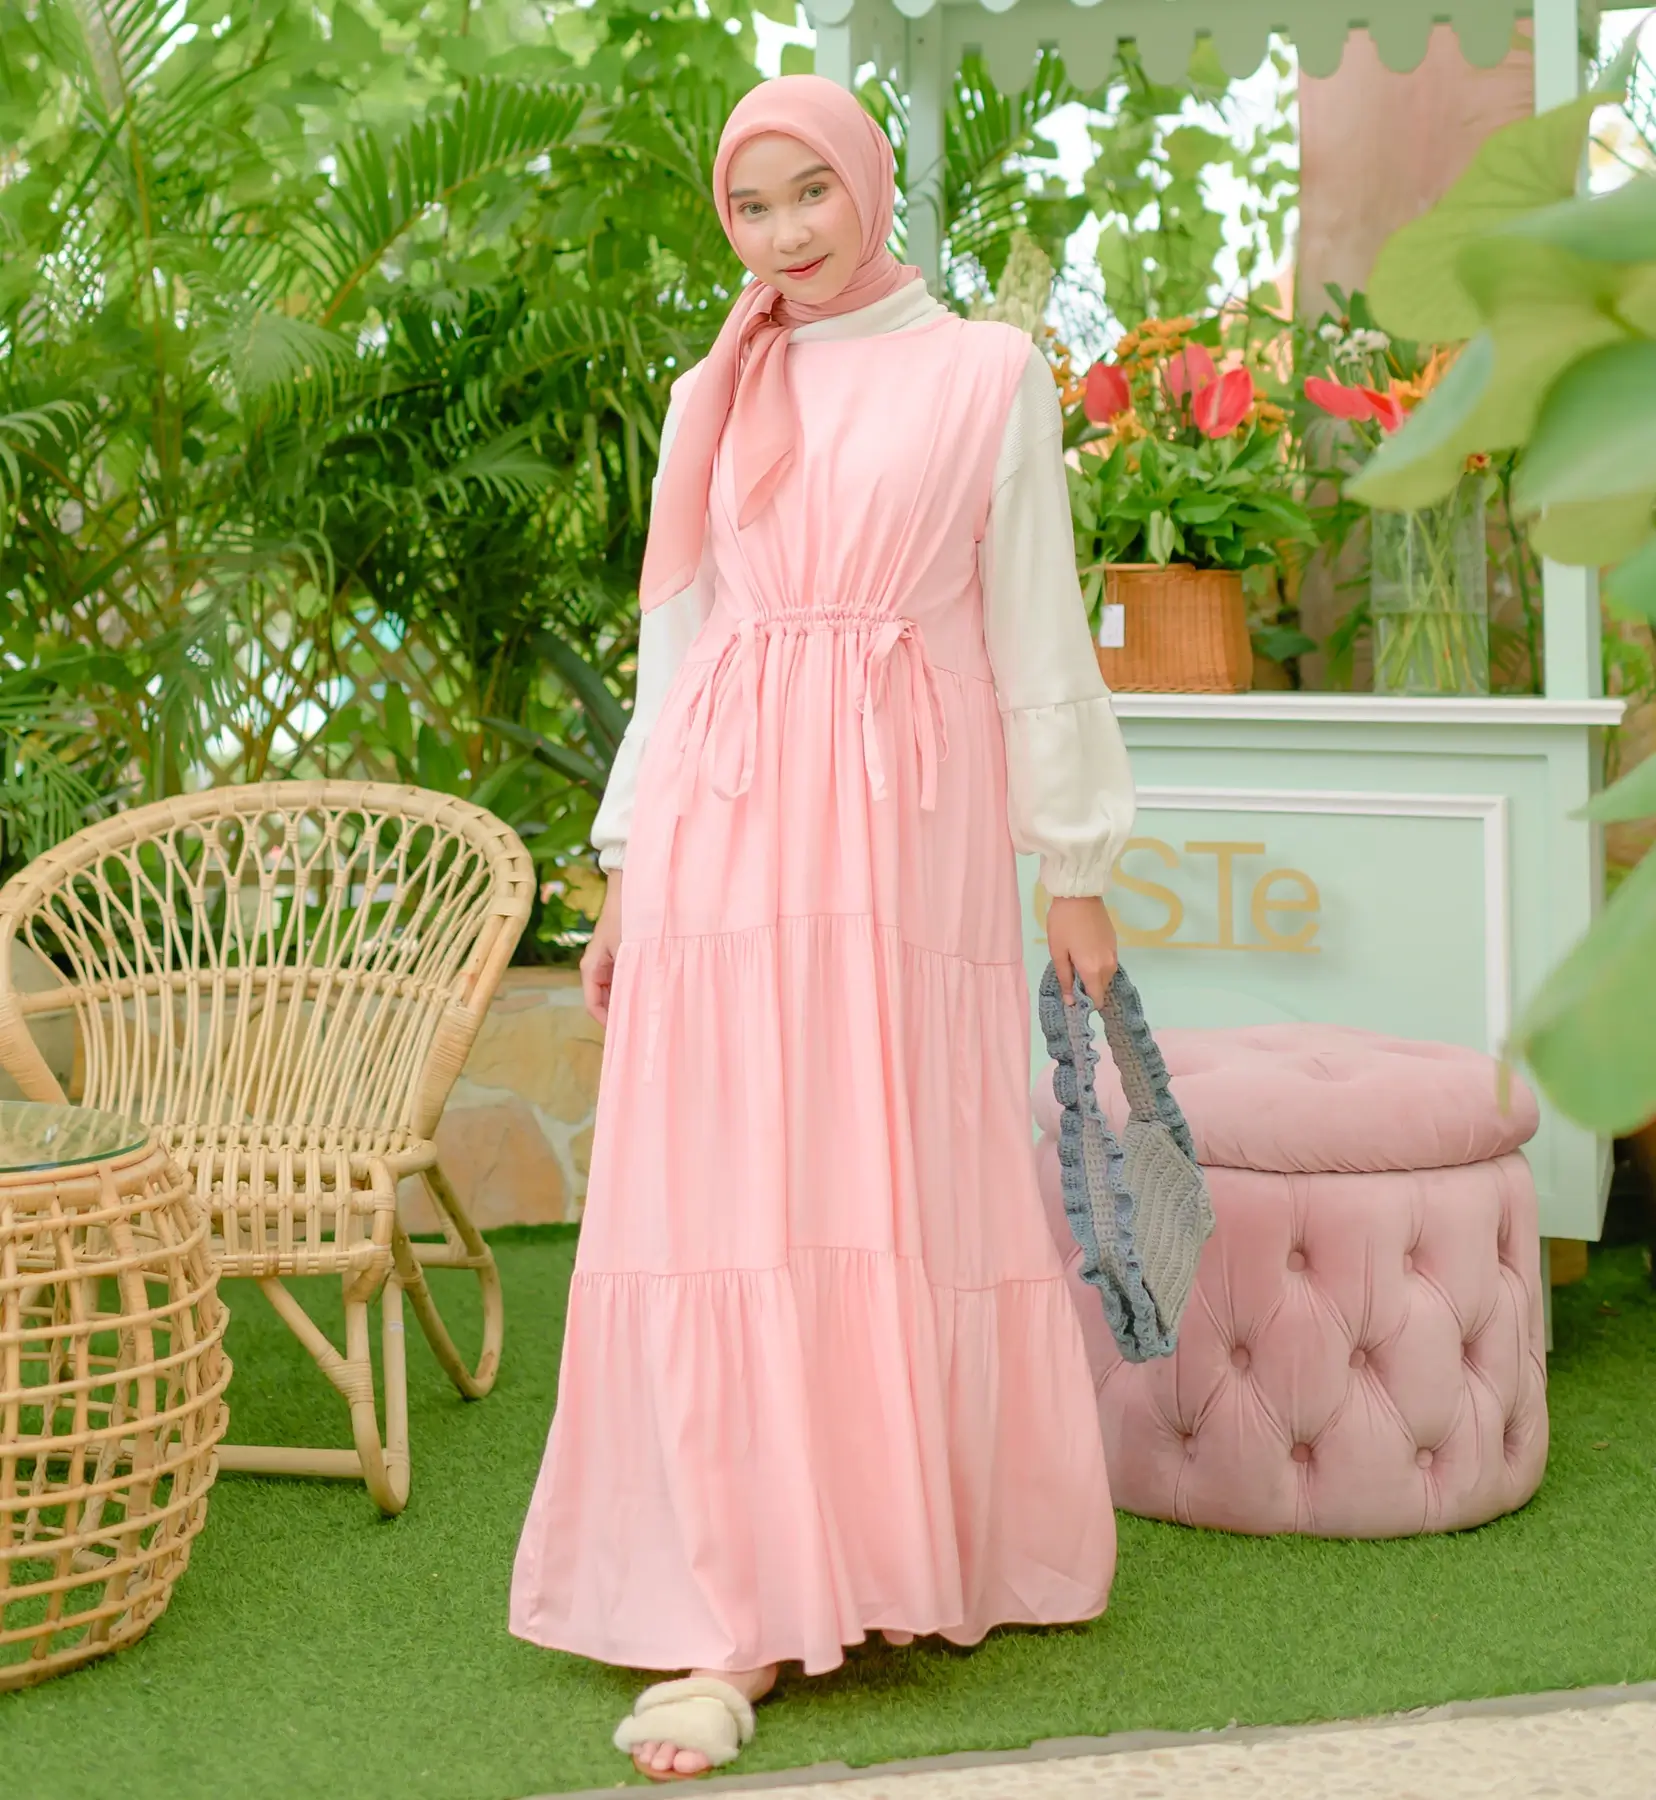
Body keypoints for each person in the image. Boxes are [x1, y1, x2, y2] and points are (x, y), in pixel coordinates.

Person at [510, 73, 1136, 1784]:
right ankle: (727, 1612)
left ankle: (897, 1545)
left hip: (905, 821)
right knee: (726, 1184)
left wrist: (1075, 866)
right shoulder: (712, 386)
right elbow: (681, 642)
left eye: (811, 193)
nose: (782, 232)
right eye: (750, 204)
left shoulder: (987, 373)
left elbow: (1035, 628)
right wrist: (627, 868)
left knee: (890, 1166)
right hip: (723, 817)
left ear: (868, 188)